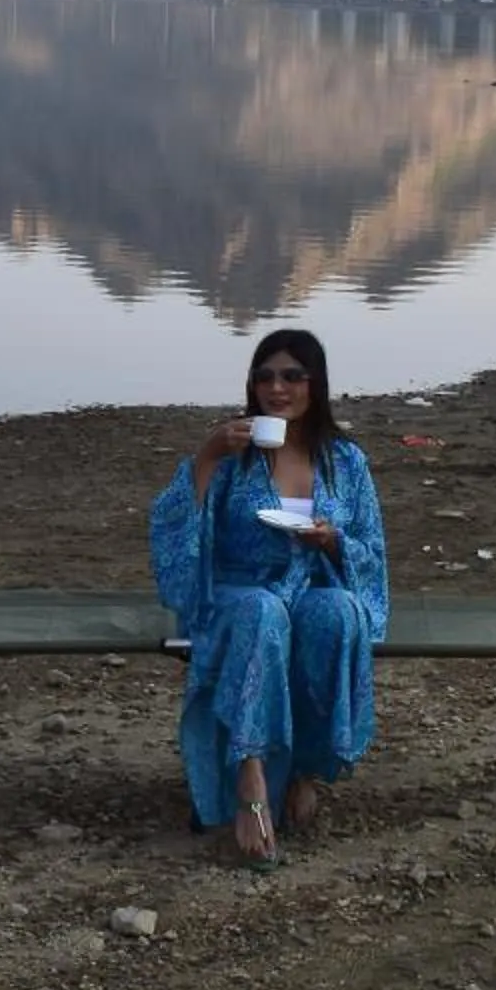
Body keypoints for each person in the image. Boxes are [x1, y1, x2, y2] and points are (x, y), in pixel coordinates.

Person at [148, 327, 388, 862]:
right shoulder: (234, 452)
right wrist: (205, 458)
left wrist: (332, 542)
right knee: (263, 612)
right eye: (265, 376)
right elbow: (173, 526)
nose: (276, 388)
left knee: (340, 613)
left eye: (291, 376)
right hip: (239, 592)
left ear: (315, 383)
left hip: (311, 583)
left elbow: (371, 548)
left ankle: (306, 767)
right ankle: (251, 777)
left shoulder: (346, 462)